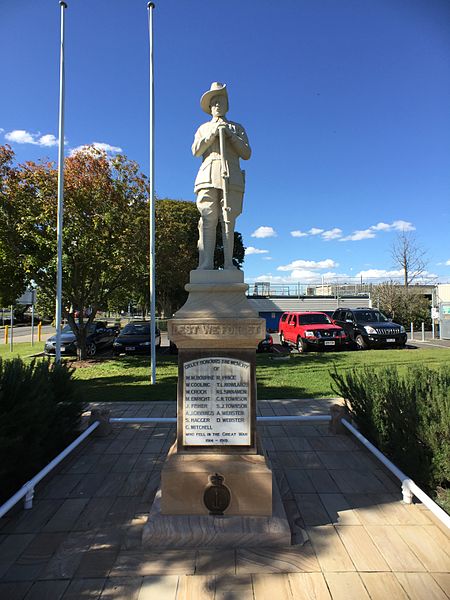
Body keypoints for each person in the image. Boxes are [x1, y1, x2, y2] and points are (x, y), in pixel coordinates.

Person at [192, 82, 251, 270]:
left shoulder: (237, 128)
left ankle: (228, 263)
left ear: (227, 105)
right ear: (210, 108)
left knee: (228, 219)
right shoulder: (203, 128)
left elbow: (247, 153)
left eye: (221, 101)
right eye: (214, 102)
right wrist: (211, 135)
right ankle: (206, 262)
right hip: (208, 176)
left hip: (231, 176)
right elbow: (196, 150)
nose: (218, 105)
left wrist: (230, 136)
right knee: (208, 217)